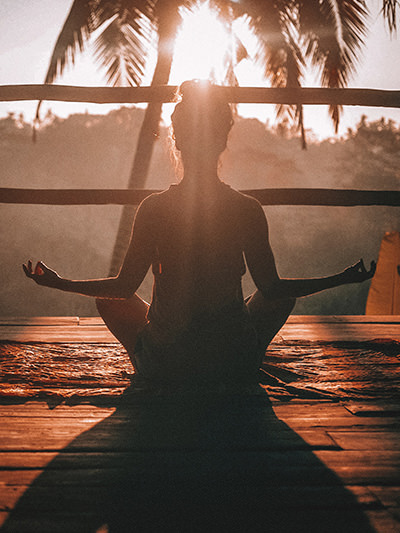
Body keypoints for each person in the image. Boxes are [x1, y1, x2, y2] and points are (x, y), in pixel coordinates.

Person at [23, 80, 376, 390]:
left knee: (108, 300)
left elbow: (122, 288)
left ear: (176, 141)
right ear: (223, 140)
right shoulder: (247, 208)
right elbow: (273, 289)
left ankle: (149, 367)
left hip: (168, 364)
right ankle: (247, 359)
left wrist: (59, 282)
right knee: (280, 297)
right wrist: (341, 278)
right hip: (232, 361)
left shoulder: (154, 208)